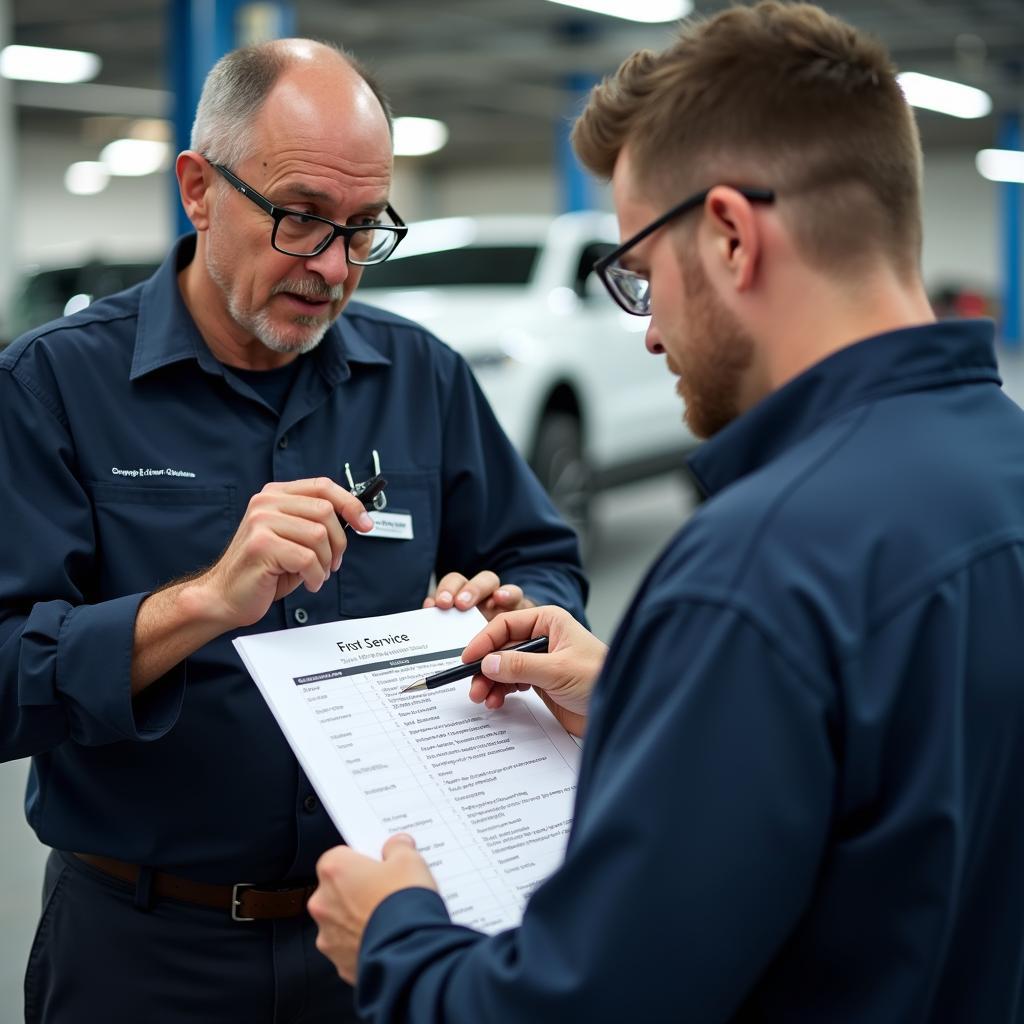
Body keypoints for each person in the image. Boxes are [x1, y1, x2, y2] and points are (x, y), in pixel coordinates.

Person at [308, 4, 1024, 1021]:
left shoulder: (758, 572)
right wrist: (661, 705)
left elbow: (573, 1006)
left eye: (638, 276)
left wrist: (394, 936)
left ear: (731, 235)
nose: (645, 335)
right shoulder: (1001, 466)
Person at [0, 38, 587, 1024]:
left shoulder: (424, 379)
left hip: (378, 949)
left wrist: (513, 609)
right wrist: (198, 605)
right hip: (144, 954)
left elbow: (538, 556)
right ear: (197, 188)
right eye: (301, 218)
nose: (332, 266)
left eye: (365, 229)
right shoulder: (52, 387)